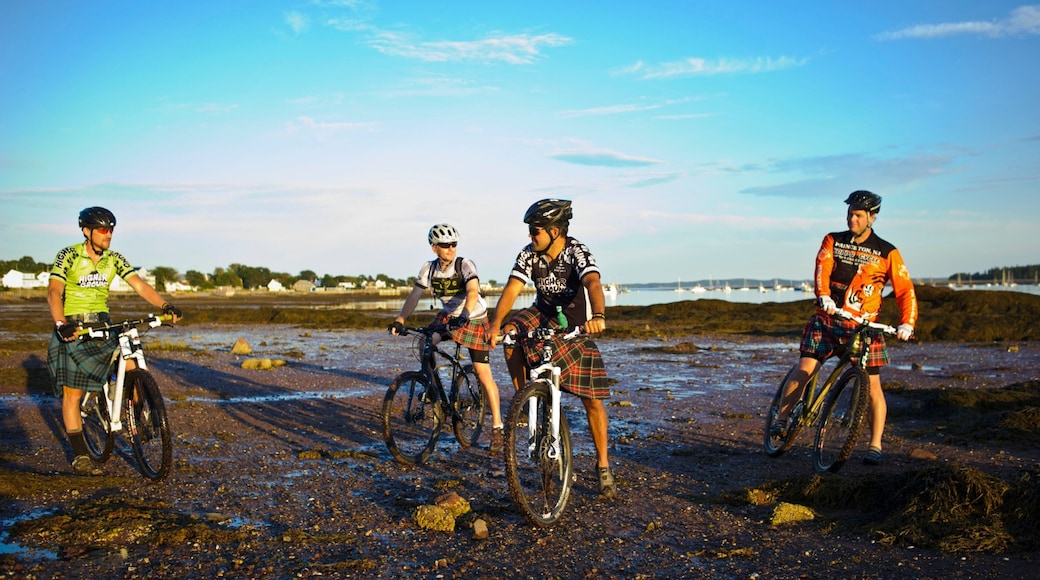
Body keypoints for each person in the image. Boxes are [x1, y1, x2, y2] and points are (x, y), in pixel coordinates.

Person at [773, 190, 917, 465]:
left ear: (872, 217)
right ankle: (781, 419)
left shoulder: (888, 252)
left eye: (859, 215)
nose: (853, 218)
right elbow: (822, 267)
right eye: (850, 213)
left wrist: (907, 322)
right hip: (828, 319)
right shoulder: (833, 240)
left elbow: (905, 290)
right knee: (806, 368)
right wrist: (823, 295)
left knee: (872, 387)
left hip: (864, 327)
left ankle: (875, 445)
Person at [489, 199, 616, 499]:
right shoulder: (529, 255)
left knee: (593, 401)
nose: (531, 237)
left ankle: (603, 465)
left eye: (535, 231)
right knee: (510, 334)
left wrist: (598, 316)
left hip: (575, 324)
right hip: (542, 312)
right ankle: (525, 397)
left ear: (555, 231)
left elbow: (594, 283)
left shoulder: (576, 252)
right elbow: (511, 289)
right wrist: (495, 325)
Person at [47, 207, 182, 475]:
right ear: (87, 231)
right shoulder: (68, 256)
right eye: (102, 230)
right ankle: (80, 456)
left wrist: (166, 305)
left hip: (102, 322)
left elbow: (140, 285)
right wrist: (61, 323)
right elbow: (54, 291)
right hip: (74, 326)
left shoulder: (114, 259)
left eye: (111, 230)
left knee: (132, 365)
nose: (108, 235)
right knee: (72, 395)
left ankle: (134, 413)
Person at [388, 224, 505, 454]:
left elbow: (472, 291)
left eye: (453, 244)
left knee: (483, 374)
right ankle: (434, 392)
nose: (451, 249)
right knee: (424, 342)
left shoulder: (464, 264)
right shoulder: (428, 269)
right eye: (445, 245)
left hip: (473, 317)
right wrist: (401, 319)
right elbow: (415, 295)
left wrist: (464, 315)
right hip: (448, 316)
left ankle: (497, 427)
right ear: (434, 248)